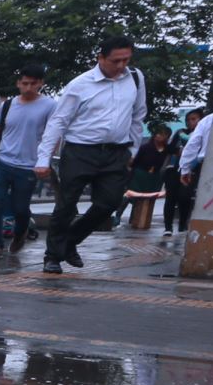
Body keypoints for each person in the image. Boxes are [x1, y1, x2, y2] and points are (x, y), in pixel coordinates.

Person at [36, 35, 149, 274]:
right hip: (80, 151)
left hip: (116, 152)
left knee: (109, 203)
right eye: (115, 61)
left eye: (126, 60)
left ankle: (70, 241)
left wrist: (133, 150)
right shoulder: (80, 84)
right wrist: (43, 159)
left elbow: (138, 117)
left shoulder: (136, 79)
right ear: (101, 58)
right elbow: (58, 122)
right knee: (66, 205)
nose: (121, 66)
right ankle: (53, 256)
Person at [0, 62, 56, 261]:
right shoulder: (7, 106)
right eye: (25, 83)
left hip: (29, 166)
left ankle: (21, 232)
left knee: (20, 208)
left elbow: (53, 136)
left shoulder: (50, 106)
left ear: (40, 83)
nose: (28, 88)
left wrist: (45, 161)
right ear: (18, 83)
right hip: (2, 161)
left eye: (33, 83)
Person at [115, 125, 171, 228]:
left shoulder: (167, 149)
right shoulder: (145, 147)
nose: (159, 136)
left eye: (163, 134)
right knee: (129, 196)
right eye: (157, 133)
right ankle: (117, 216)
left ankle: (137, 219)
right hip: (140, 174)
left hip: (154, 177)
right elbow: (135, 162)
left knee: (146, 198)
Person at [163, 108, 208, 234]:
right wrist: (178, 152)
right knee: (170, 198)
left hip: (191, 170)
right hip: (173, 169)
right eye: (188, 120)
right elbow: (169, 149)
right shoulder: (180, 133)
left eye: (194, 119)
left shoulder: (204, 135)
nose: (190, 122)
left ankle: (182, 225)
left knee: (184, 197)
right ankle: (168, 227)